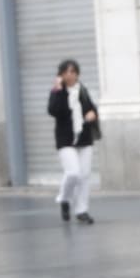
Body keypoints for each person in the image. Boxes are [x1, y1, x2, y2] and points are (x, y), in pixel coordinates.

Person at [48, 60, 100, 222]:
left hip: (84, 137)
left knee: (84, 176)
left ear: (77, 73)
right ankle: (64, 198)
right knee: (73, 173)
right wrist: (59, 89)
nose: (70, 75)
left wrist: (93, 114)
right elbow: (54, 111)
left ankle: (81, 210)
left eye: (73, 72)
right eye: (67, 72)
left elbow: (91, 108)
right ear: (61, 74)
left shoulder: (82, 90)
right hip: (65, 139)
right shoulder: (58, 91)